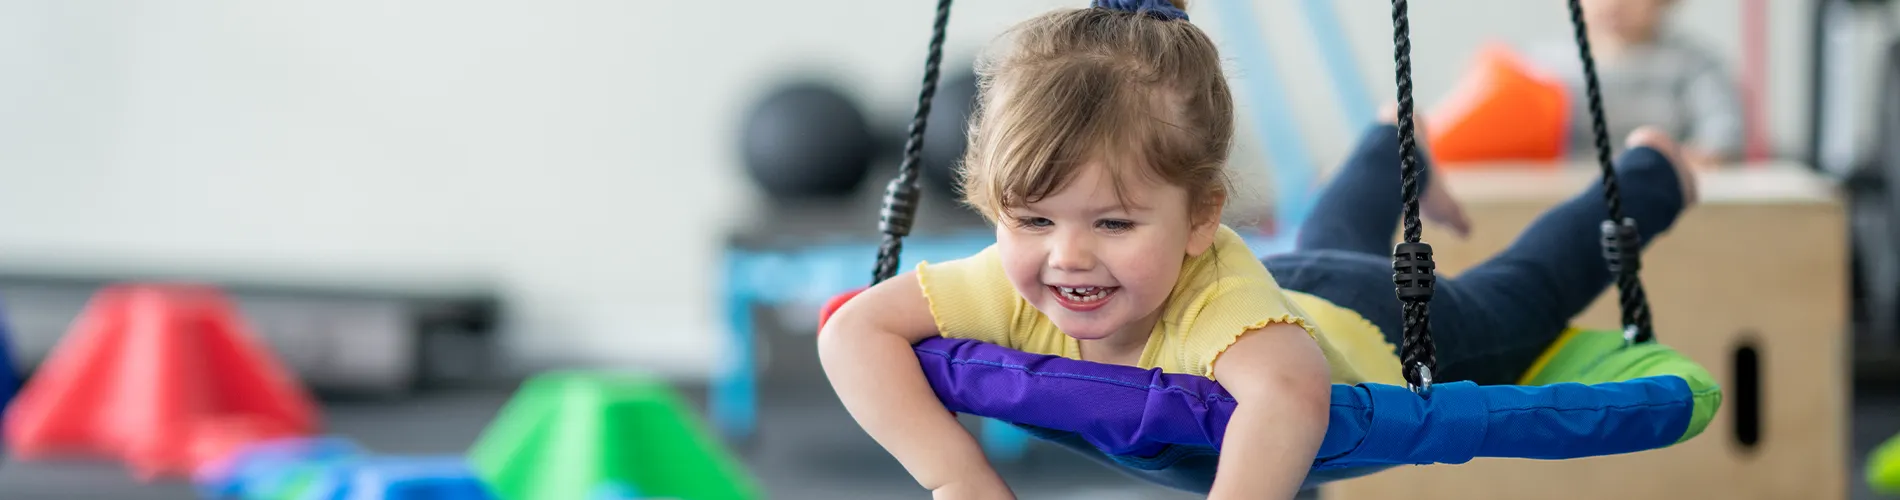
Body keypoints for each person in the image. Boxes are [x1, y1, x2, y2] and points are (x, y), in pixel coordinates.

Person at [816, 1, 1700, 498]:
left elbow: (1287, 395)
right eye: (1033, 221)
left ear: (1203, 217)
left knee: (1525, 291)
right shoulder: (1015, 276)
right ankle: (1396, 144)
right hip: (1298, 285)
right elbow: (854, 333)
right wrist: (959, 480)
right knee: (1328, 239)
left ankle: (1657, 170)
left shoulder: (1220, 296)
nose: (1068, 257)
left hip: (1381, 329)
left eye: (1114, 224)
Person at [1522, 0, 1744, 168]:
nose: (1613, 3)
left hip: (1662, 191)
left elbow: (1723, 137)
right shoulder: (1543, 67)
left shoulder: (1693, 64)